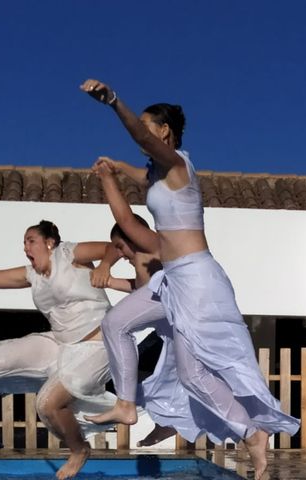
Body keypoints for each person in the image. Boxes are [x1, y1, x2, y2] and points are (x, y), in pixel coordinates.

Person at [81, 78, 300, 479]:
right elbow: (128, 220)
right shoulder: (157, 181)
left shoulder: (180, 166)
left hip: (198, 280)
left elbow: (145, 149)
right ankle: (127, 404)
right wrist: (110, 175)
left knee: (193, 373)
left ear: (164, 132)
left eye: (149, 127)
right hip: (171, 281)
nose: (144, 137)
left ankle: (252, 433)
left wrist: (113, 102)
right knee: (115, 323)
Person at [92, 161, 208, 447]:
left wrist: (108, 179)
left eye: (120, 247)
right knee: (162, 376)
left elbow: (126, 219)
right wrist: (111, 280)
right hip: (167, 326)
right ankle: (167, 423)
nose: (119, 254)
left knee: (118, 330)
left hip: (181, 318)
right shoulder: (142, 261)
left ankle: (132, 407)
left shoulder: (152, 245)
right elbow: (140, 290)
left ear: (134, 238)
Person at [0, 220, 118, 480]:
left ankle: (79, 450)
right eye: (24, 243)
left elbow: (114, 246)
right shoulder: (32, 275)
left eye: (31, 241)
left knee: (47, 404)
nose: (25, 247)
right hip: (60, 342)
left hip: (97, 344)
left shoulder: (70, 254)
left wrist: (105, 265)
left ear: (49, 243)